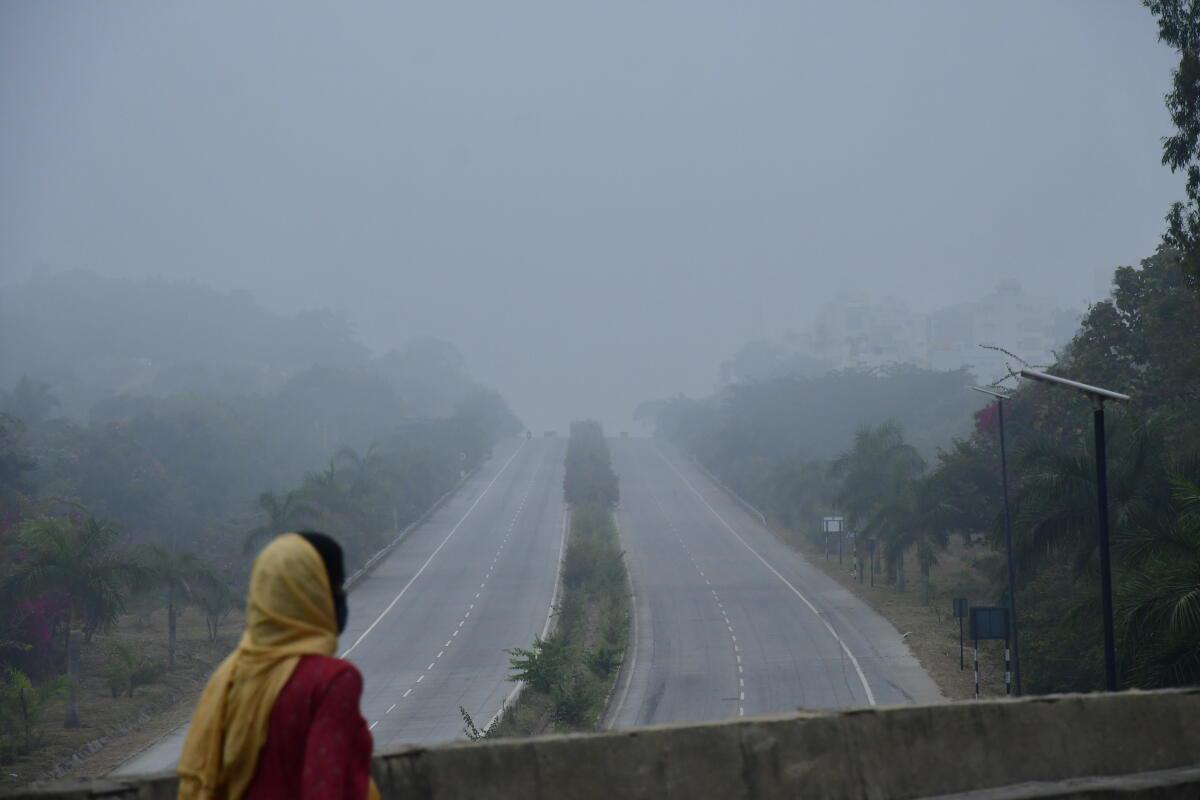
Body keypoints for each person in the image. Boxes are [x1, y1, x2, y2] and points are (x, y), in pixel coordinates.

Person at [178, 532, 379, 800]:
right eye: (338, 586)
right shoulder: (333, 680)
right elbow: (324, 789)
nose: (342, 596)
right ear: (314, 595)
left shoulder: (226, 678)